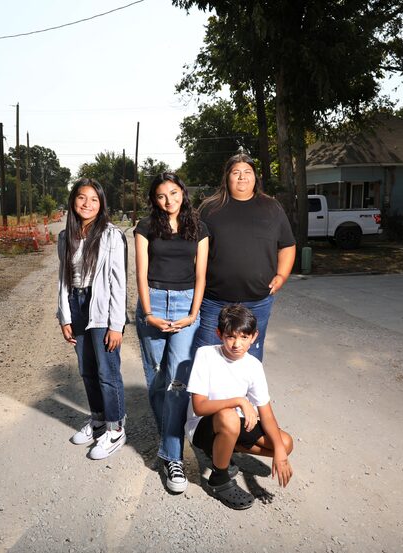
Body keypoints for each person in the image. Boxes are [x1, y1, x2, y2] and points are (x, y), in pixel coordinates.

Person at [135, 172, 209, 493]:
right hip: (153, 301)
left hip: (185, 306)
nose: (169, 201)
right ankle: (170, 438)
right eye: (162, 195)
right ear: (154, 198)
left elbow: (201, 274)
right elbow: (139, 272)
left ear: (183, 193)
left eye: (175, 193)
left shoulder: (199, 227)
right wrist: (149, 313)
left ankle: (172, 456)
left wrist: (193, 313)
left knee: (178, 381)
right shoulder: (145, 227)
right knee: (155, 376)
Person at [186, 304, 294, 510]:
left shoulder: (253, 365)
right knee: (229, 417)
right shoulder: (206, 355)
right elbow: (199, 407)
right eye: (230, 337)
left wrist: (279, 451)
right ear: (219, 334)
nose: (237, 344)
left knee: (285, 443)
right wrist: (239, 401)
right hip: (203, 426)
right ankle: (220, 477)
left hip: (232, 425)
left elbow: (266, 413)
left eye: (244, 337)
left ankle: (223, 449)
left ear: (254, 337)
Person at [194, 153, 296, 362]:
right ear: (227, 177)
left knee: (249, 358)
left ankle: (245, 397)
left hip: (257, 301)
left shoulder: (272, 208)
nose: (242, 177)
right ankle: (207, 397)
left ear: (255, 177)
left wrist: (282, 275)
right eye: (236, 172)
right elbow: (194, 250)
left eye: (247, 172)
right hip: (214, 301)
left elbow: (287, 245)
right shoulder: (210, 208)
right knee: (207, 356)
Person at [57, 178, 128, 460]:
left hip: (101, 307)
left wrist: (116, 324)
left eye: (94, 199)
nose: (87, 204)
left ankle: (116, 428)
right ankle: (98, 420)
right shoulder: (66, 237)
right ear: (73, 201)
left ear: (102, 204)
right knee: (87, 370)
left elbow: (118, 282)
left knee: (107, 372)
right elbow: (63, 280)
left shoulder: (111, 235)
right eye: (82, 198)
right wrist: (64, 316)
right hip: (76, 304)